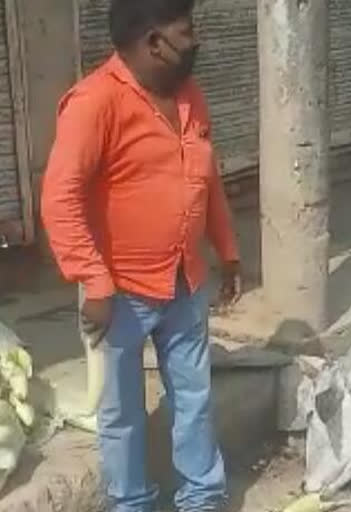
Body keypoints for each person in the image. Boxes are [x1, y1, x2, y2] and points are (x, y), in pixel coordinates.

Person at [40, 0, 241, 510]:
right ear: (155, 41)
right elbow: (59, 198)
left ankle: (202, 497)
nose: (195, 41)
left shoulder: (189, 96)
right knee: (122, 413)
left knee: (193, 399)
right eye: (186, 30)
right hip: (119, 292)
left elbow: (207, 181)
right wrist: (95, 281)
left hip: (185, 281)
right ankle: (132, 503)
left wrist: (228, 252)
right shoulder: (93, 103)